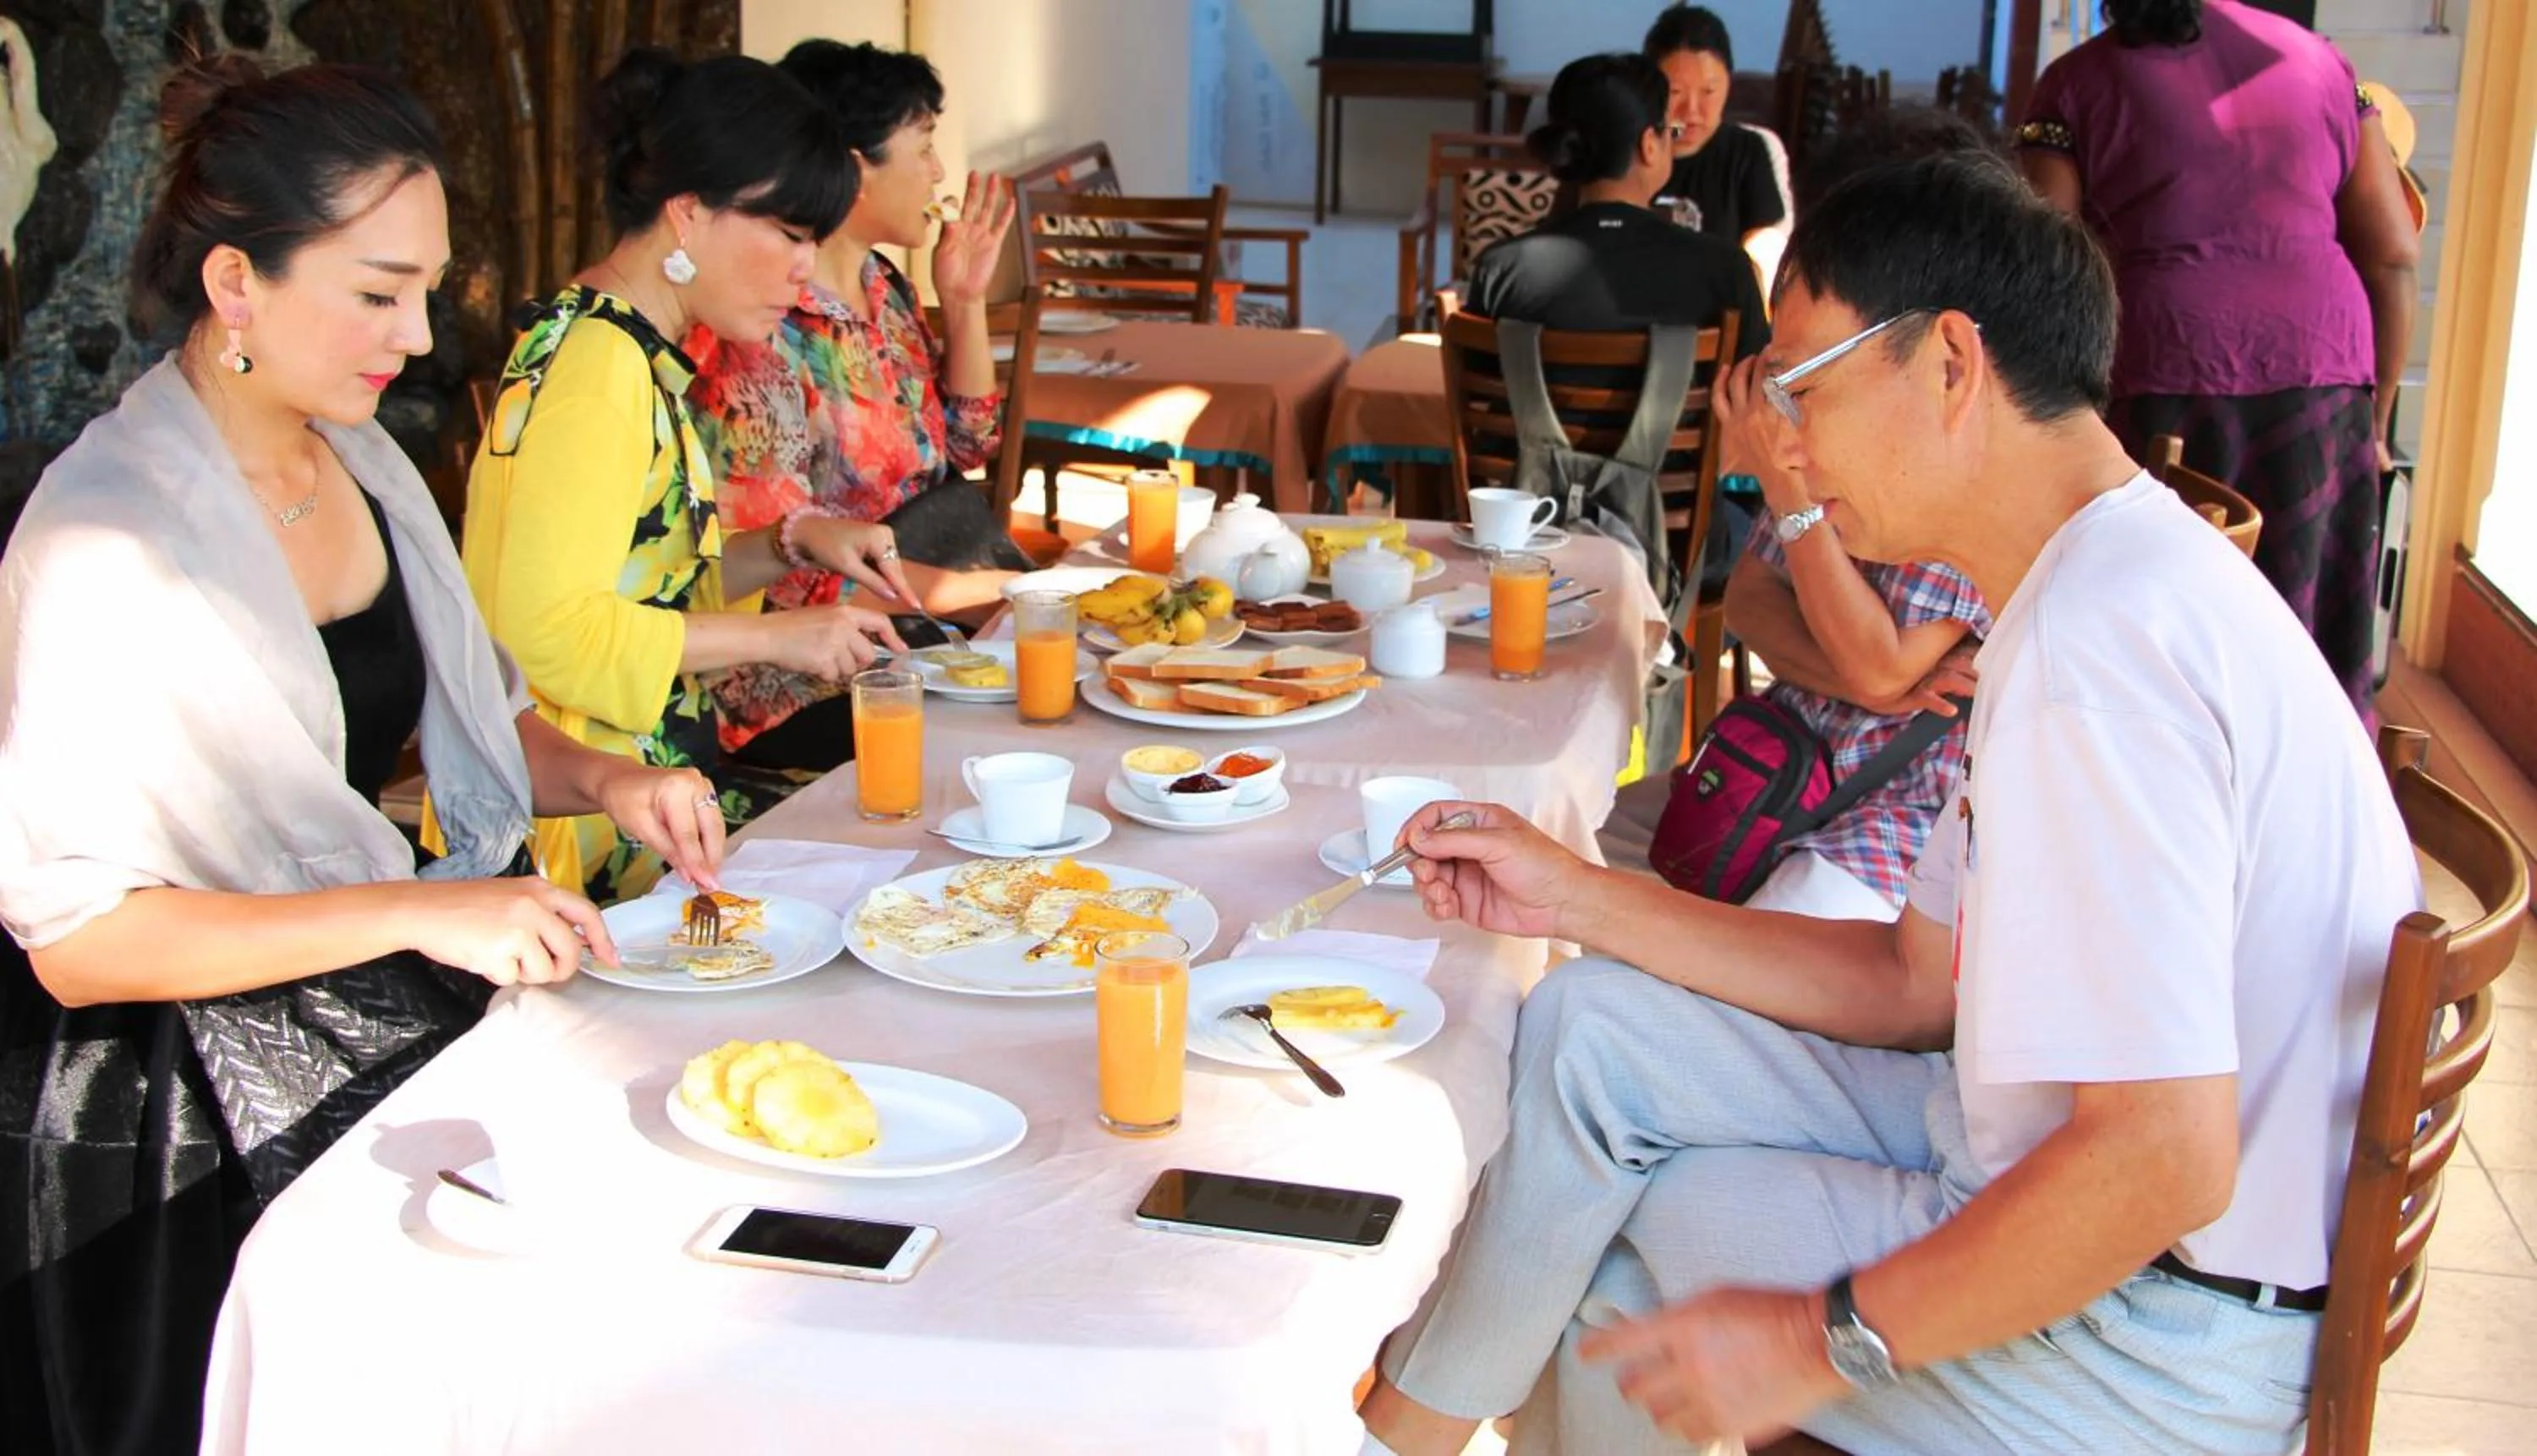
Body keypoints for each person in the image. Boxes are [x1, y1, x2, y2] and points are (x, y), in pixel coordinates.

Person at [1357, 154, 2419, 1455]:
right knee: (1586, 1024)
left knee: (1626, 1282)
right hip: (2014, 1149)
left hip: (2154, 1331)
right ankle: (1403, 1433)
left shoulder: (2102, 656)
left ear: (1952, 364)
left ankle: (1395, 1432)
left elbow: (2162, 1162)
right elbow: (1915, 984)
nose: (1780, 445)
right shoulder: (2099, 582)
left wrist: (1822, 1338)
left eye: (1801, 384)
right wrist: (1575, 892)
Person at [0, 59, 721, 1456]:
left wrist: (608, 780)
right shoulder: (107, 538)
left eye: (428, 289)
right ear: (235, 286)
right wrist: (421, 904)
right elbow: (82, 941)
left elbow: (474, 717)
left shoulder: (365, 463)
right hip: (171, 1114)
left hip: (358, 1004)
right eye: (377, 290)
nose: (418, 332)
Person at [462, 48, 906, 904]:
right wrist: (778, 639)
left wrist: (791, 543)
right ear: (689, 214)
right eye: (789, 234)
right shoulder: (598, 367)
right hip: (583, 830)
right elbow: (548, 631)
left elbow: (650, 593)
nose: (804, 268)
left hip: (647, 792)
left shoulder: (626, 347)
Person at [2016, 0, 2419, 716]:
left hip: (2162, 378)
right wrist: (2378, 425)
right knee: (2305, 637)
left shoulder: (2079, 82)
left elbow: (2042, 268)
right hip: (2323, 385)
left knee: (2160, 627)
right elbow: (2392, 255)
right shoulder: (2322, 63)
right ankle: (2298, 806)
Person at [687, 39, 1022, 772]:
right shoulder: (759, 330)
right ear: (852, 163)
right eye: (924, 144)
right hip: (806, 684)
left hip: (922, 629)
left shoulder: (882, 289)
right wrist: (991, 593)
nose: (937, 171)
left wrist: (963, 303)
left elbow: (967, 447)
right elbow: (784, 567)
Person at [1702, 110, 2003, 920]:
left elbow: (1876, 664)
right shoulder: (1849, 410)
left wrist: (1786, 488)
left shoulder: (1973, 443)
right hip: (1786, 767)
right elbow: (1751, 602)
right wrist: (1867, 681)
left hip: (1889, 821)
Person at [1466, 51, 1767, 345]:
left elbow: (1479, 385)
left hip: (1529, 399)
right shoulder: (1726, 269)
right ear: (1649, 143)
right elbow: (1760, 386)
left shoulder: (1501, 270)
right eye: (1669, 130)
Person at [1641, 6, 1787, 278]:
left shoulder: (1746, 150)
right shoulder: (1630, 147)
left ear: (1729, 84)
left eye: (1708, 91)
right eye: (1675, 92)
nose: (1692, 111)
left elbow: (1765, 243)